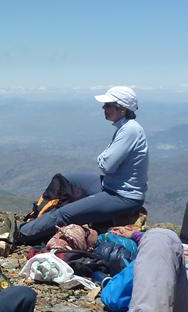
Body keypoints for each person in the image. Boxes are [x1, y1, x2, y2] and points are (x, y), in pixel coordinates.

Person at [16, 86, 148, 245]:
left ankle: (19, 234)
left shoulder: (130, 131)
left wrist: (103, 158)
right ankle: (41, 216)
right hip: (111, 184)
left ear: (122, 109)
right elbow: (107, 161)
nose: (103, 108)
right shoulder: (125, 127)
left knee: (63, 214)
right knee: (67, 179)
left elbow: (106, 165)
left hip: (123, 196)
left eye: (108, 105)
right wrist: (104, 158)